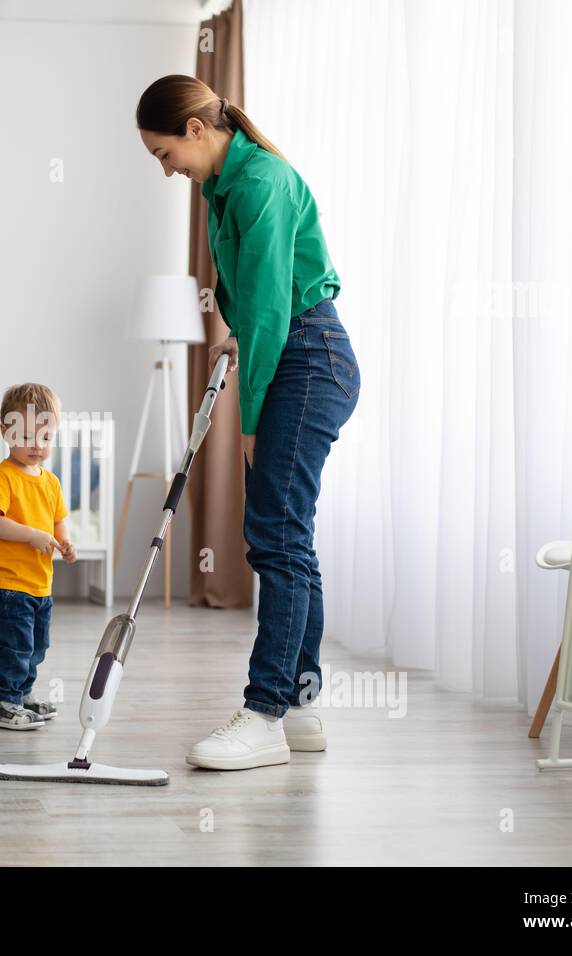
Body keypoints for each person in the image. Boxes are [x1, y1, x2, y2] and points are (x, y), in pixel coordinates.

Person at [138, 75, 361, 770]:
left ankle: (262, 715)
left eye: (164, 151)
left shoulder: (259, 182)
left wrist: (253, 419)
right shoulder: (221, 187)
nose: (166, 167)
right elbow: (256, 301)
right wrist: (237, 338)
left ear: (197, 131)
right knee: (288, 538)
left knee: (276, 538)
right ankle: (299, 707)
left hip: (308, 358)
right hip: (298, 350)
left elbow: (269, 310)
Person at [0, 383, 77, 729]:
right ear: (6, 432)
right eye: (27, 436)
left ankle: (22, 693)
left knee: (37, 646)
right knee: (16, 646)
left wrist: (64, 542)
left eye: (46, 437)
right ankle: (3, 702)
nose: (37, 445)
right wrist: (32, 535)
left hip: (39, 584)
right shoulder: (1, 477)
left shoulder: (50, 482)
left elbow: (58, 519)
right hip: (7, 585)